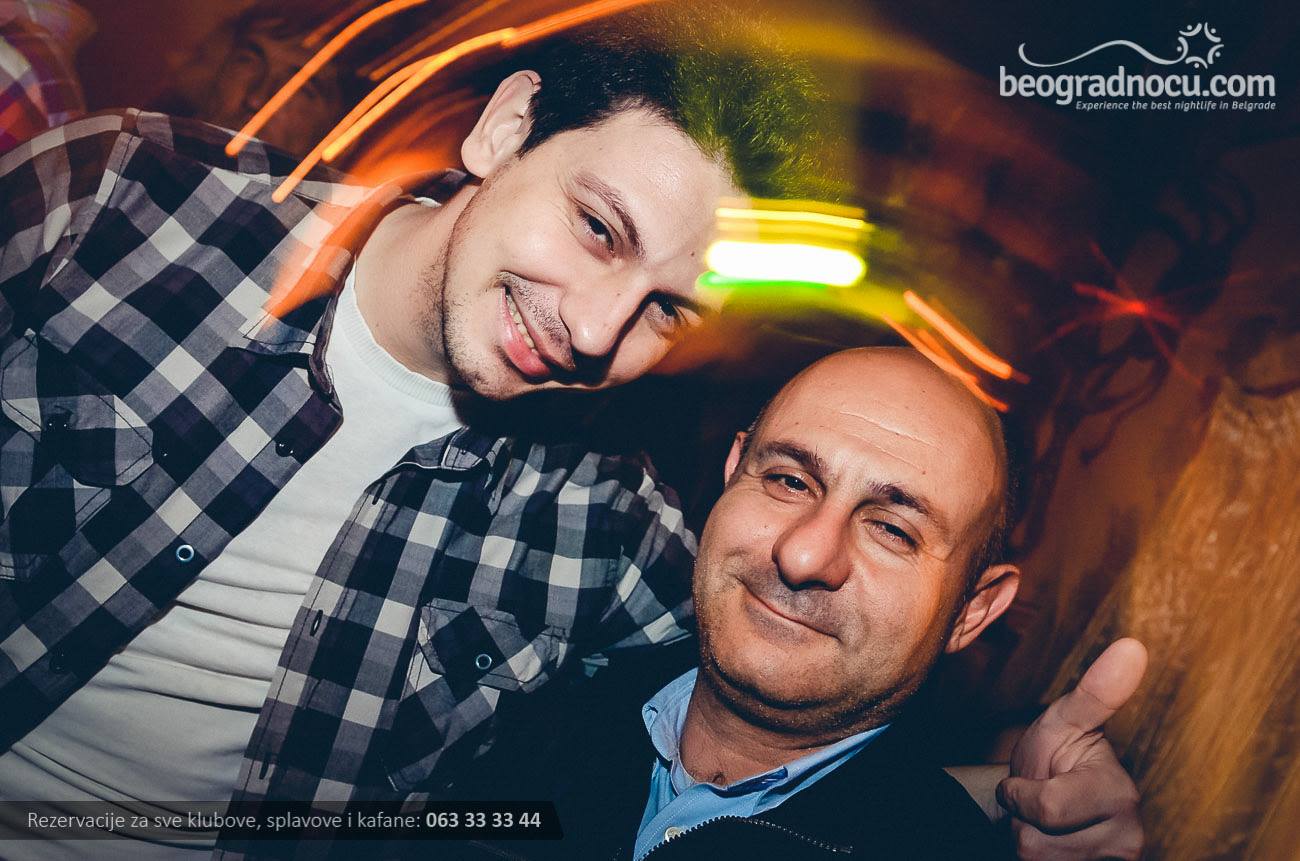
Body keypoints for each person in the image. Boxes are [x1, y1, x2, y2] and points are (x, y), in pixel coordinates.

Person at [0, 9, 1137, 859]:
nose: (595, 331)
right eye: (598, 228)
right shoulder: (109, 205)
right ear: (504, 129)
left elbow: (788, 687)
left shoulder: (600, 524)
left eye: (667, 310)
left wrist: (1011, 799)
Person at [450, 347, 1146, 860]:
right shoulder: (519, 700)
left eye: (892, 529)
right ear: (733, 474)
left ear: (973, 610)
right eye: (789, 480)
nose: (805, 555)